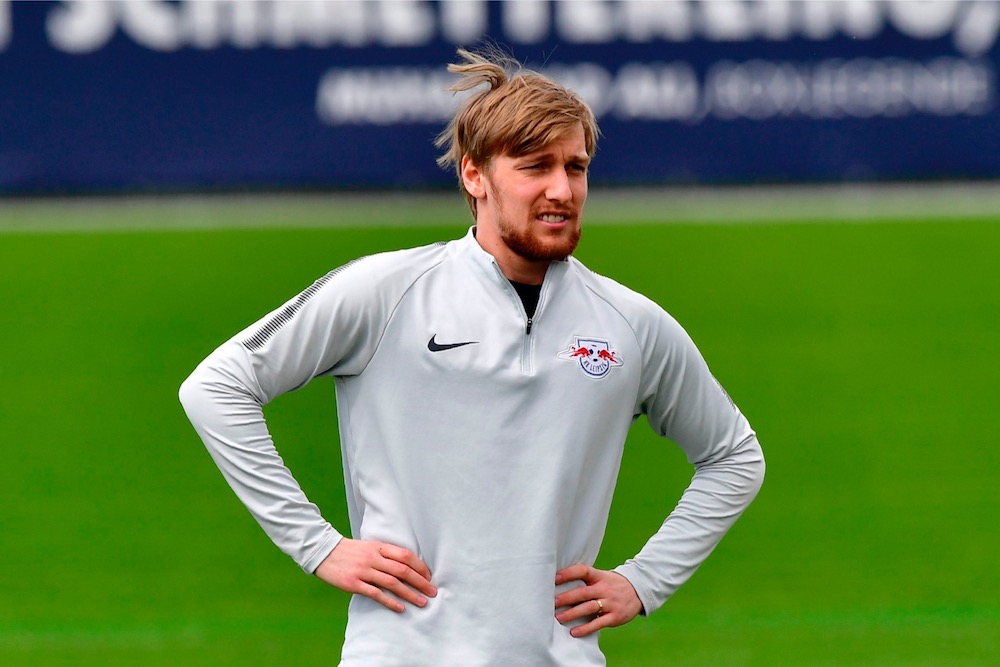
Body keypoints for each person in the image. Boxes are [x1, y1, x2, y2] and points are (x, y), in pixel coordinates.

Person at [179, 47, 764, 666]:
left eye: (576, 167)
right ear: (474, 176)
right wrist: (317, 545)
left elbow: (733, 457)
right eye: (535, 167)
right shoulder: (385, 292)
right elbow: (216, 387)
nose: (562, 189)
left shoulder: (630, 324)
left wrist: (645, 580)